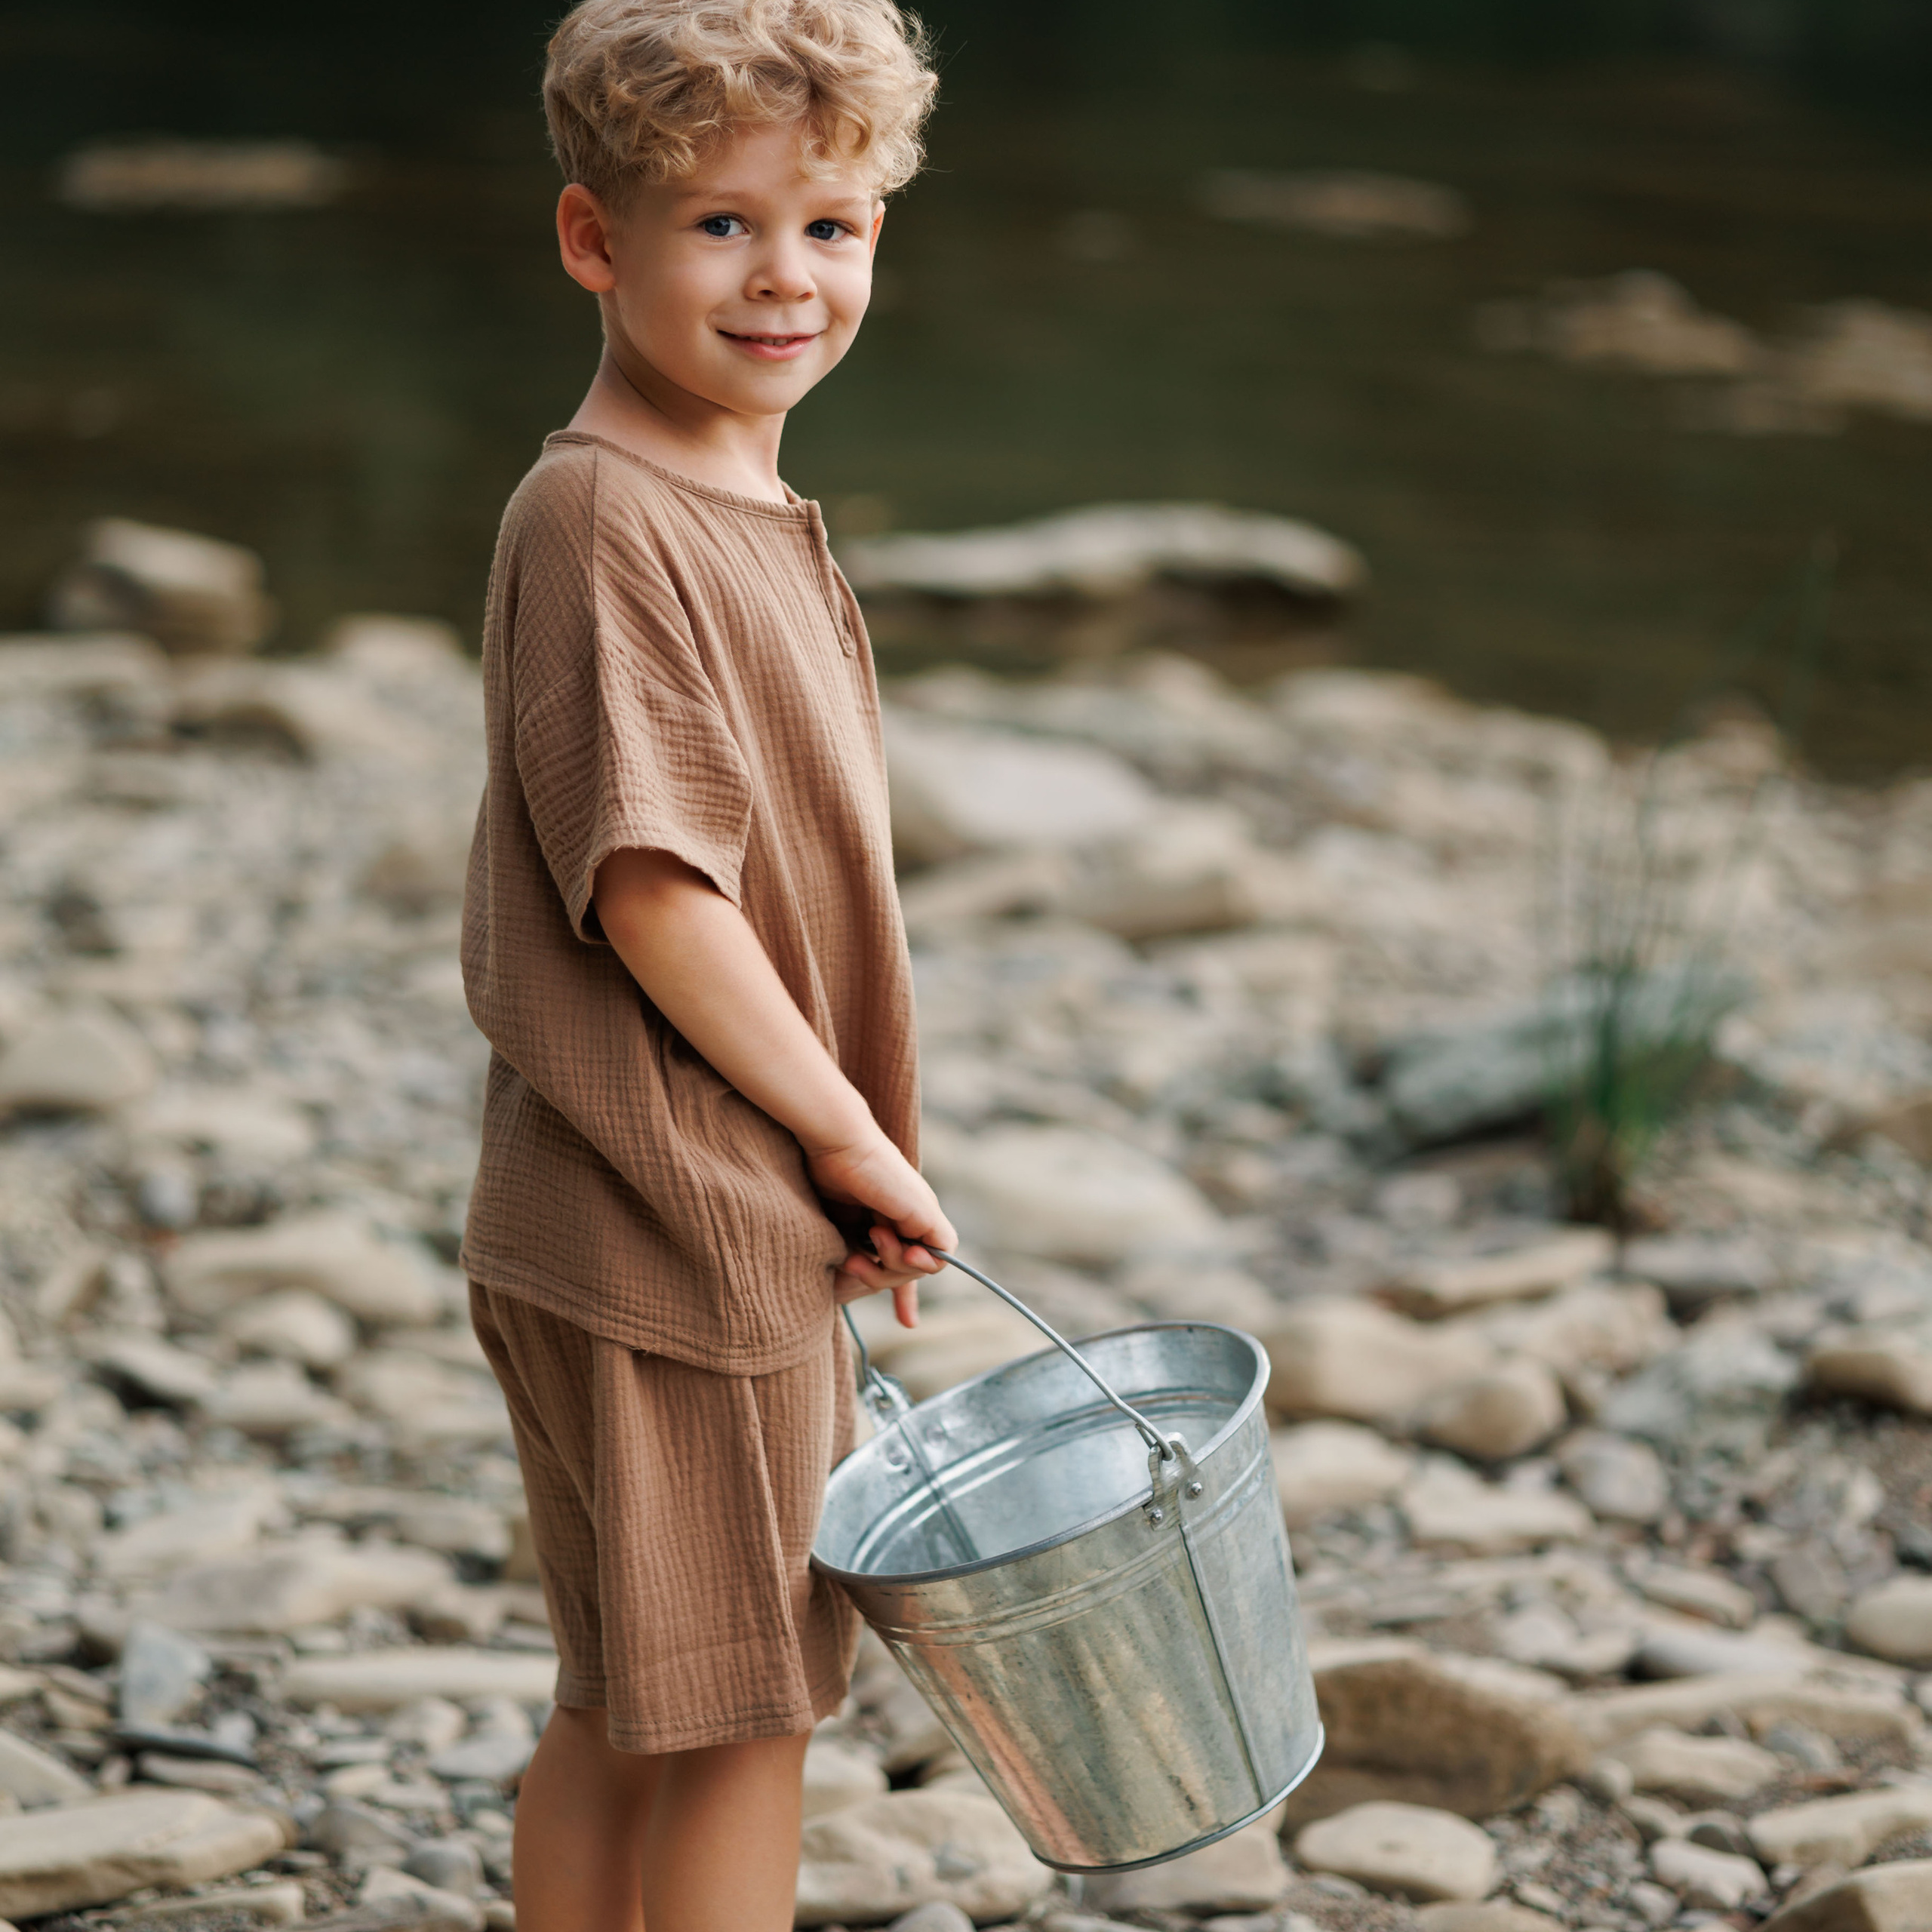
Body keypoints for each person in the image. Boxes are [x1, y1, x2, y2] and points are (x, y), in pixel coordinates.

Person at [458, 4, 951, 1926]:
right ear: (594, 240)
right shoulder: (601, 513)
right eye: (720, 227)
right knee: (742, 1710)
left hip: (666, 1208)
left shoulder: (733, 493)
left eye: (827, 228)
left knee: (636, 1699)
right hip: (679, 1216)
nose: (783, 280)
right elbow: (656, 896)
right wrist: (849, 1137)